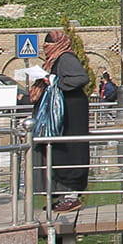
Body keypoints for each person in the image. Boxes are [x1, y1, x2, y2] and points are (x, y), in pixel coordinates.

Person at [36, 30, 91, 213]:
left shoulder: (66, 58)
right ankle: (61, 195)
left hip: (71, 113)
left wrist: (54, 81)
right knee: (58, 151)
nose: (46, 48)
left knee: (70, 151)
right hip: (62, 114)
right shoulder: (54, 60)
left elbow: (81, 78)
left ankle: (71, 195)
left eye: (49, 44)